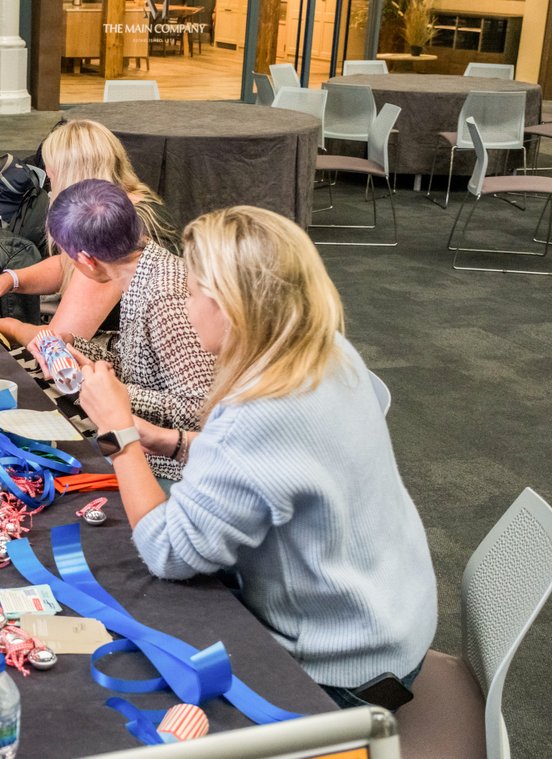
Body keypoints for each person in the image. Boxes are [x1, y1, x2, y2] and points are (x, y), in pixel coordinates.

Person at [76, 205, 437, 708]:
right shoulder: (325, 350)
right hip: (388, 622)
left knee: (118, 675)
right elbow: (275, 466)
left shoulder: (259, 411)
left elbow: (167, 551)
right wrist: (166, 441)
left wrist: (119, 436)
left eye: (193, 293)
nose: (186, 307)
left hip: (341, 671)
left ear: (229, 305)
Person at [46, 179, 214, 481]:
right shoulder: (146, 269)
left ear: (86, 260)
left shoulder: (165, 298)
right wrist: (74, 346)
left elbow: (199, 409)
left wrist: (113, 393)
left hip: (171, 471)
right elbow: (142, 364)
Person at [0, 119, 178, 347]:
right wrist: (12, 279)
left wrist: (3, 326)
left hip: (117, 358)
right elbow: (72, 264)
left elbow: (59, 341)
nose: (51, 187)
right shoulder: (129, 205)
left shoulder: (109, 230)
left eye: (52, 177)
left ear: (70, 177)